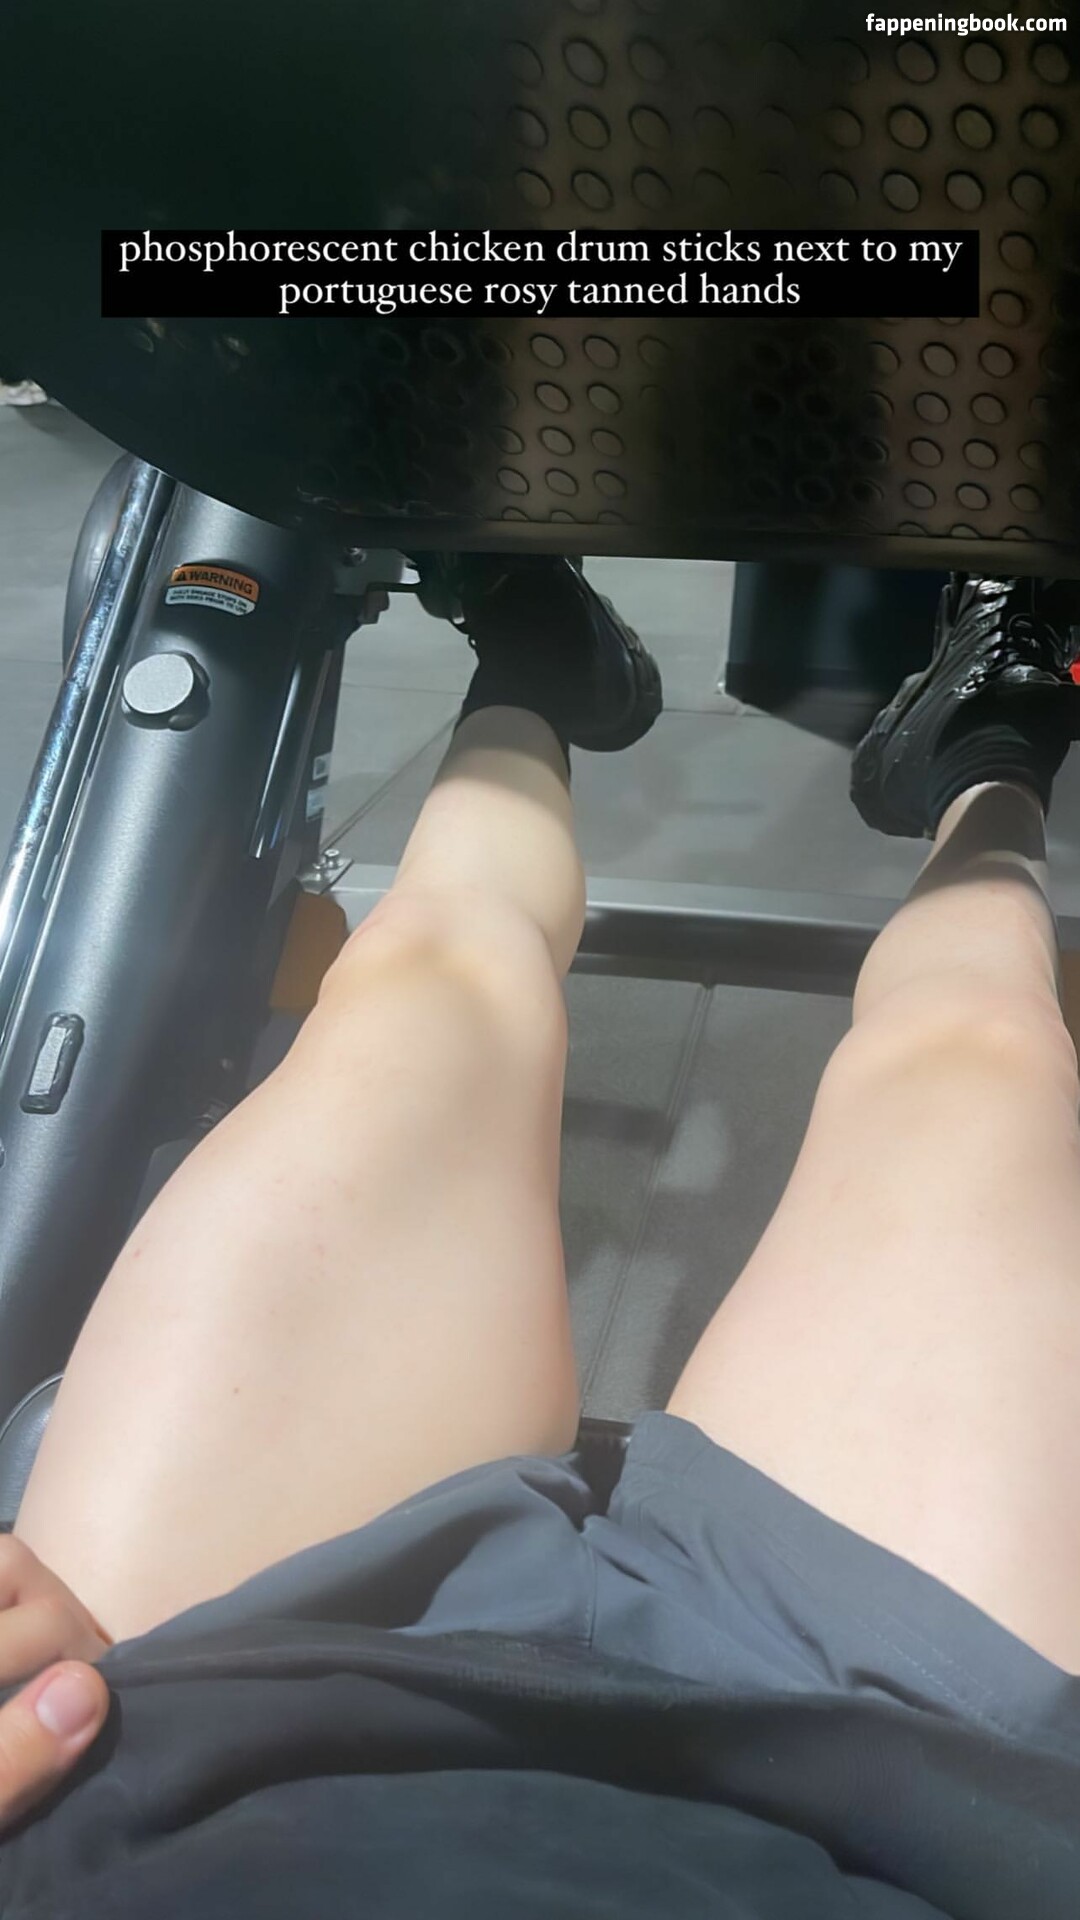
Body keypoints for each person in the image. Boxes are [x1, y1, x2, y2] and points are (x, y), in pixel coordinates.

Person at [0, 558, 1078, 1919]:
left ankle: (530, 654)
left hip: (193, 1748)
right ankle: (994, 739)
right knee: (978, 1054)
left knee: (428, 980)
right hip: (911, 1810)